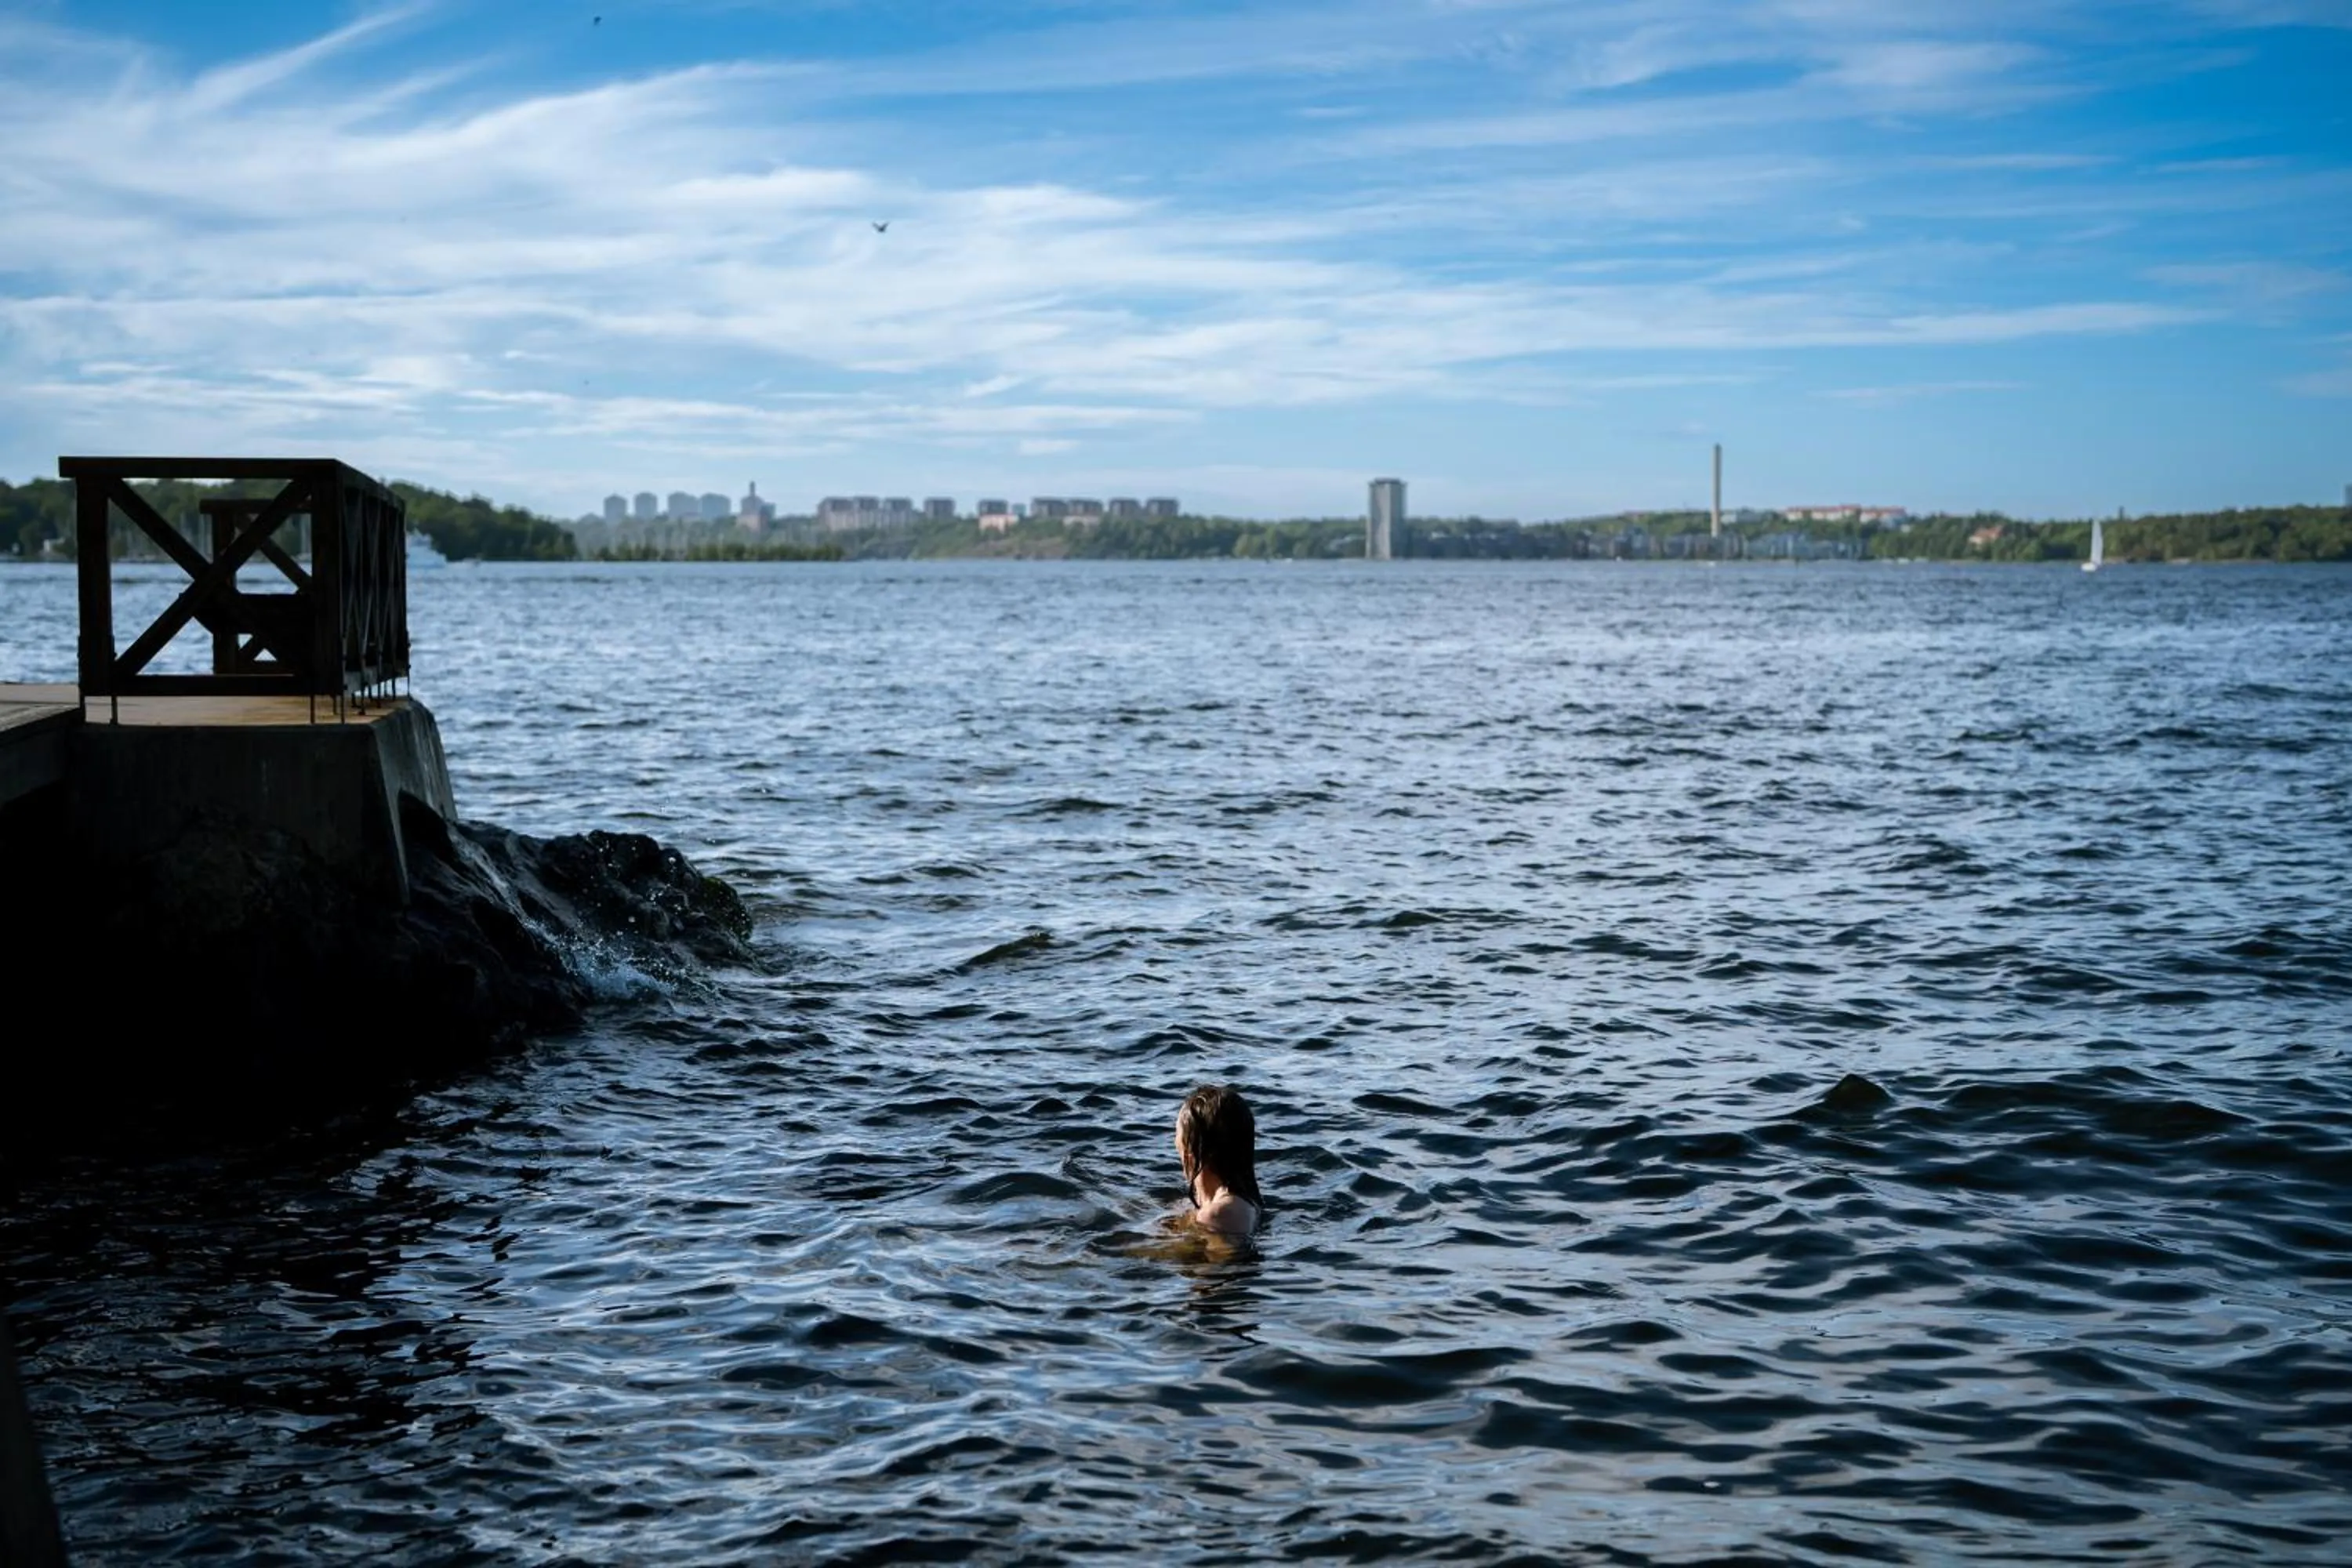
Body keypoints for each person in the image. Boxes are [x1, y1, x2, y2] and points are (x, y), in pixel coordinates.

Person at [1175, 1083, 1262, 1237]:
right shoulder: (1241, 1204)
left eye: (1177, 1134)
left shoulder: (1220, 1215)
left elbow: (1222, 1252)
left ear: (1192, 1151)